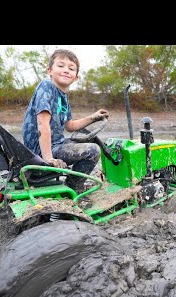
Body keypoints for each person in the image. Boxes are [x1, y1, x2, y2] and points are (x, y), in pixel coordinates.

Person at [22, 49, 109, 191]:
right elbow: (42, 122)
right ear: (49, 70)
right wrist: (48, 159)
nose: (66, 70)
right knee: (93, 151)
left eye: (71, 68)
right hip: (40, 151)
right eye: (60, 66)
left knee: (88, 143)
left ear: (76, 77)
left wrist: (93, 117)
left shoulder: (63, 98)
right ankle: (73, 187)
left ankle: (71, 185)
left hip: (55, 145)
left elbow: (70, 125)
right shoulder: (47, 86)